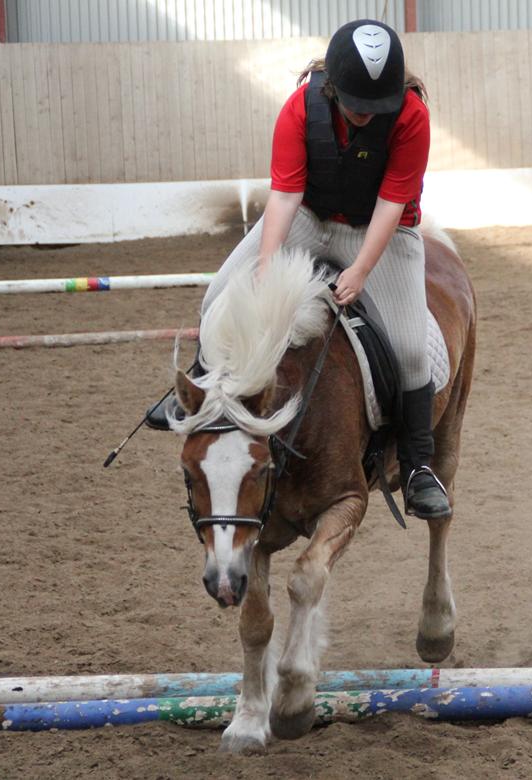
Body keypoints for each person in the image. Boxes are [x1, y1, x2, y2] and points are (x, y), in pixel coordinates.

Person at [152, 19, 449, 520]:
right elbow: (286, 196)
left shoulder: (411, 115)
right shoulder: (299, 108)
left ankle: (419, 467)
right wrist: (266, 267)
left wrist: (361, 269)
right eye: (355, 104)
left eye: (374, 106)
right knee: (218, 297)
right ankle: (203, 390)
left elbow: (392, 202)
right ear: (333, 89)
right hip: (307, 218)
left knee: (411, 351)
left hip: (380, 229)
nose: (364, 115)